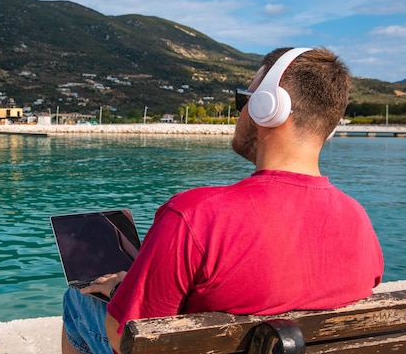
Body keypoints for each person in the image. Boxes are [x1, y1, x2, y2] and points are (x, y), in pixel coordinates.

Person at [61, 47, 384, 354]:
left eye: (245, 100)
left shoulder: (195, 215)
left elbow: (125, 335)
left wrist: (120, 290)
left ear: (268, 108)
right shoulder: (359, 221)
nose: (241, 112)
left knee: (77, 301)